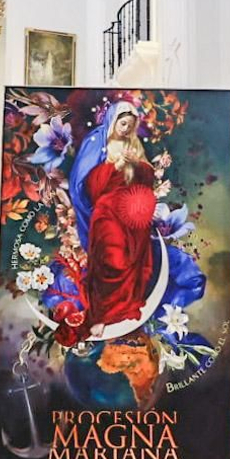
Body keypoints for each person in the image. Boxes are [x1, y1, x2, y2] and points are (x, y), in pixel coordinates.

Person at [70, 101, 157, 334]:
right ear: (113, 120)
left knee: (132, 261)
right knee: (111, 260)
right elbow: (88, 185)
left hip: (130, 214)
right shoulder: (98, 143)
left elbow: (148, 179)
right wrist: (116, 165)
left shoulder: (134, 146)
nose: (126, 128)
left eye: (130, 124)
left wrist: (136, 165)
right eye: (123, 122)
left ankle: (121, 311)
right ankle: (100, 314)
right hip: (106, 212)